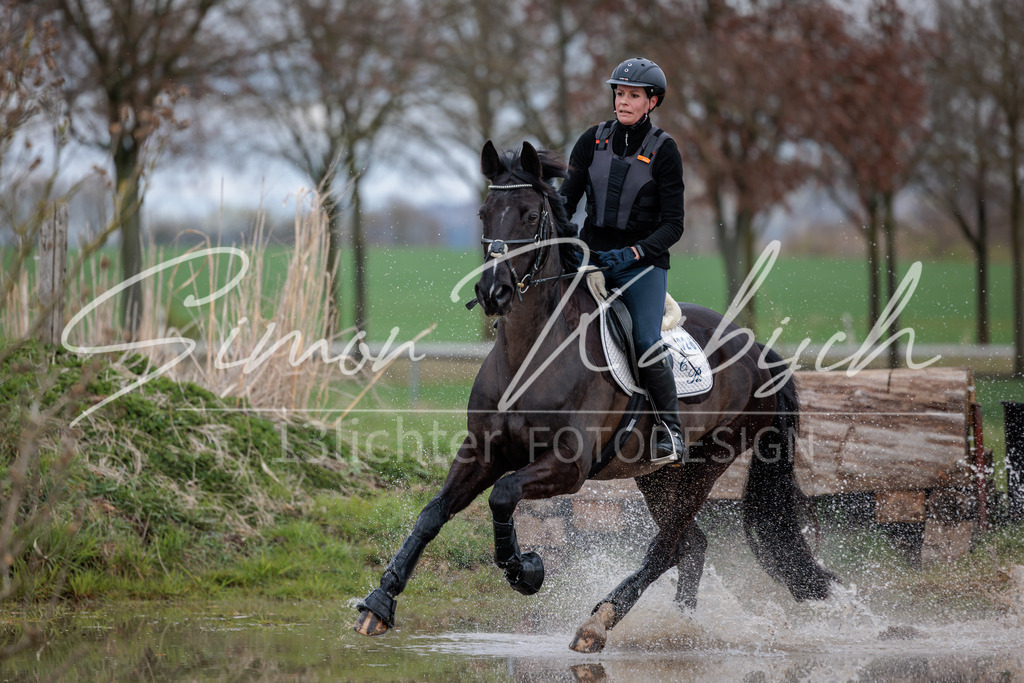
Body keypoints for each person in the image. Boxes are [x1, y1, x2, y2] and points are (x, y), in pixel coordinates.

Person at [560, 57, 687, 464]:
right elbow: (566, 202)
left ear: (652, 102)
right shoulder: (590, 141)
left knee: (647, 342)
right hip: (590, 260)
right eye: (619, 93)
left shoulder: (665, 151)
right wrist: (567, 245)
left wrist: (632, 252)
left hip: (641, 266)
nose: (623, 102)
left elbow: (674, 225)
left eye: (633, 95)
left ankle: (671, 429)